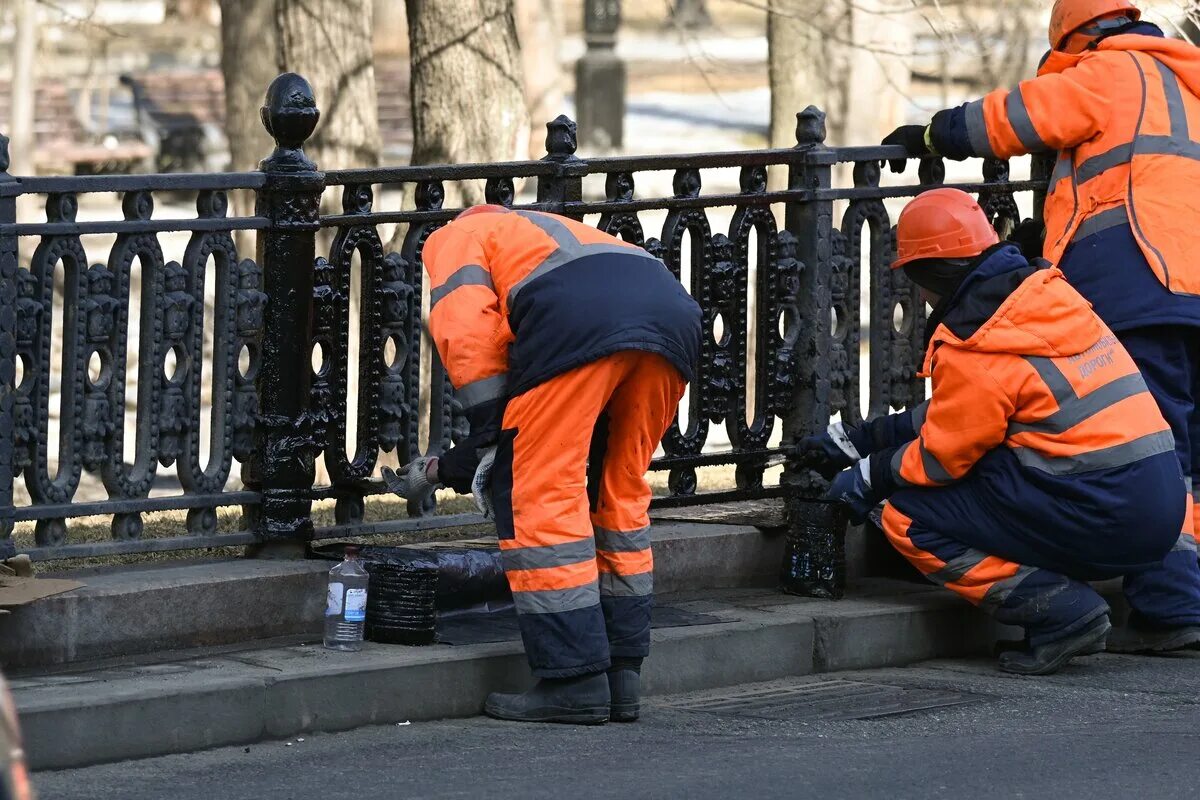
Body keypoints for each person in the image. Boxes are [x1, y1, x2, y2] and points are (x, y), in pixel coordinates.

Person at [880, 0, 1200, 653]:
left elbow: (1015, 117)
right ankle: (1179, 596)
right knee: (1186, 452)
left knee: (1154, 443)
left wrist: (932, 137)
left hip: (1140, 285)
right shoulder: (1186, 85)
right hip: (1190, 290)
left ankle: (1174, 606)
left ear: (1076, 36)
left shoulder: (1111, 70)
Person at [800, 188, 1192, 675]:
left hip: (1102, 518)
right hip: (1165, 515)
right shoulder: (1044, 299)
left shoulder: (977, 339)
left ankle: (1062, 613)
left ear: (927, 276)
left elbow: (944, 458)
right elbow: (967, 413)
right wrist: (858, 440)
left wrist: (867, 477)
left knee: (905, 514)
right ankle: (1171, 602)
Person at [383, 205, 701, 724]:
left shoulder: (454, 235)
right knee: (617, 493)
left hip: (578, 324)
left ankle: (573, 681)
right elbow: (528, 398)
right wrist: (471, 454)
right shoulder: (539, 230)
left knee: (541, 495)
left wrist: (489, 431)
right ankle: (622, 676)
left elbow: (465, 332)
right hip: (671, 321)